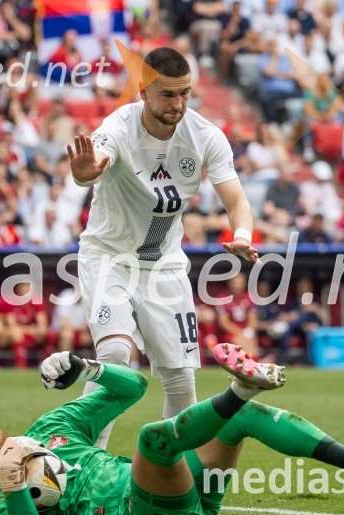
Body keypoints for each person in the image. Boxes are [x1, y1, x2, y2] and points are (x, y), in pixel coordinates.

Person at [0, 345, 344, 515]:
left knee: (240, 421)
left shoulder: (54, 424)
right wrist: (14, 479)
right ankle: (241, 387)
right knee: (151, 440)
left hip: (187, 502)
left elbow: (133, 386)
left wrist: (86, 367)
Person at [67, 47, 258, 449]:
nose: (179, 104)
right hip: (108, 258)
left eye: (185, 93)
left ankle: (172, 491)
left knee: (181, 379)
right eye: (168, 95)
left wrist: (242, 234)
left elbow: (237, 201)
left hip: (165, 266)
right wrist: (84, 174)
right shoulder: (118, 127)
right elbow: (95, 160)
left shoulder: (205, 136)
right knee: (116, 357)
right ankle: (83, 467)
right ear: (143, 91)